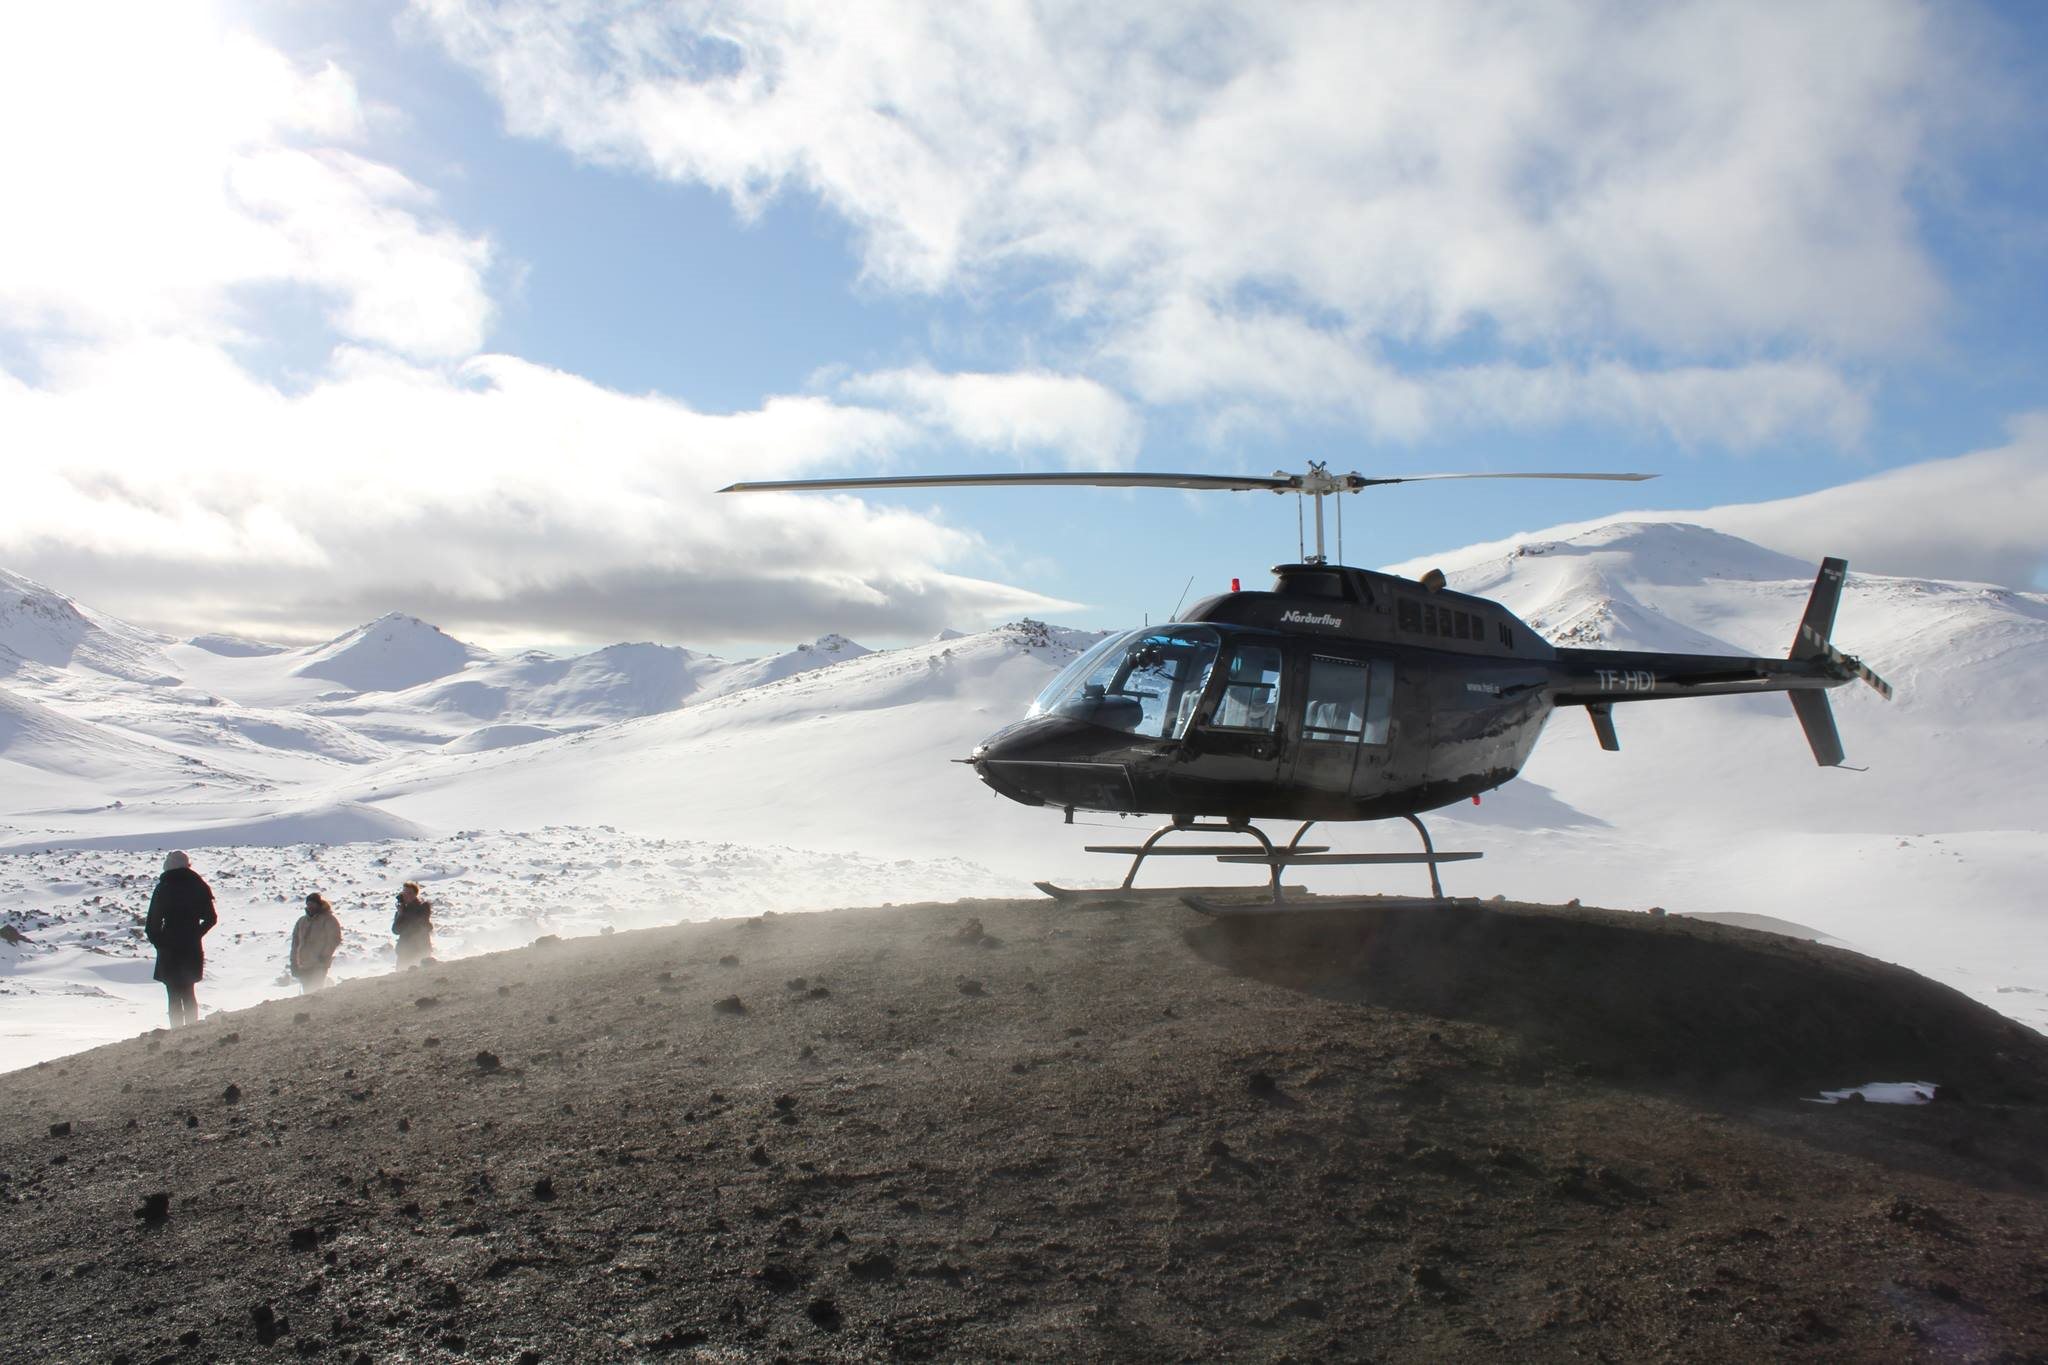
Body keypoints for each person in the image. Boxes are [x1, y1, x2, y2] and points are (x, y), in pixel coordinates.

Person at [145, 851, 217, 1027]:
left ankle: (176, 1032)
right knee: (189, 991)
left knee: (173, 993)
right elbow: (211, 918)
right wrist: (195, 934)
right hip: (191, 947)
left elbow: (152, 924)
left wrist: (160, 943)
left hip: (169, 949)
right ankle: (192, 1030)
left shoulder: (164, 887)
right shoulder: (198, 885)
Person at [289, 892, 342, 992]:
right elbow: (295, 944)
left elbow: (334, 939)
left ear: (319, 904)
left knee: (316, 990)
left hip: (319, 964)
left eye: (313, 904)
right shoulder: (301, 921)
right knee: (307, 992)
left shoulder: (328, 919)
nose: (310, 907)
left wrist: (325, 955)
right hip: (303, 964)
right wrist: (293, 963)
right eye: (308, 904)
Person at [391, 881, 434, 969]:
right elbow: (395, 930)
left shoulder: (423, 906)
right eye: (404, 893)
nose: (406, 896)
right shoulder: (402, 911)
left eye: (409, 893)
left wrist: (405, 911)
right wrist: (400, 914)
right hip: (404, 952)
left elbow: (418, 923)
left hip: (420, 949)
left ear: (415, 894)